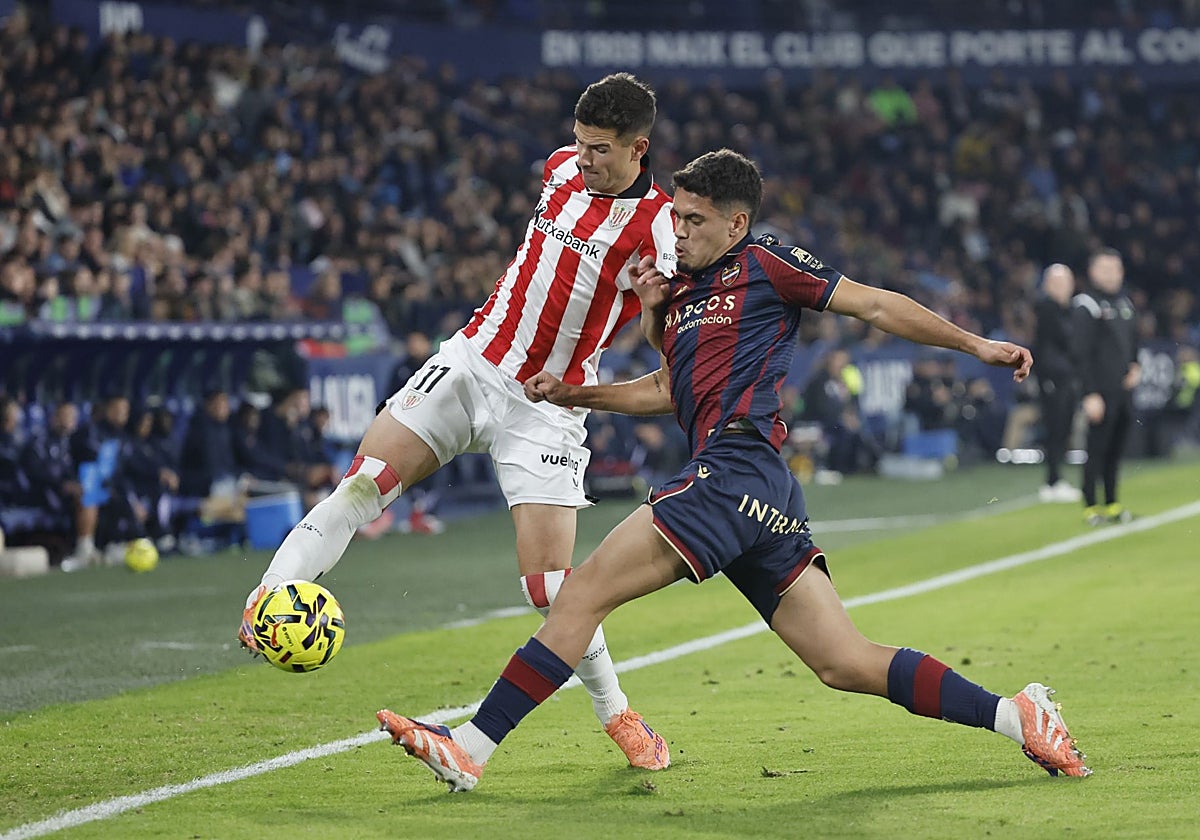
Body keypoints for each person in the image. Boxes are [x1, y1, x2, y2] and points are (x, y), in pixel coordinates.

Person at [375, 149, 1090, 792]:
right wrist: (581, 388)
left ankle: (470, 747)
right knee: (843, 661)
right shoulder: (680, 292)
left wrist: (976, 345)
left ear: (736, 222)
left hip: (736, 467)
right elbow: (668, 389)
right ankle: (1016, 716)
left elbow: (873, 304)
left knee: (580, 593)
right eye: (676, 216)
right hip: (760, 491)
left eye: (693, 220)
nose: (677, 230)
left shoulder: (768, 263)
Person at [238, 73, 678, 770]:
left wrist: (653, 305)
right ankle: (268, 594)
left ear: (638, 148)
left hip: (547, 405)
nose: (584, 158)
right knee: (363, 484)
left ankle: (617, 713)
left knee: (549, 588)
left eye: (600, 149)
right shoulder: (560, 169)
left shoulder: (659, 227)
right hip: (471, 362)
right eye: (580, 143)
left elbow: (664, 338)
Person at [1072, 249, 1139, 526]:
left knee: (1115, 450)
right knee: (1096, 449)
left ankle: (1112, 503)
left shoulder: (1125, 303)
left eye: (1115, 269)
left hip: (1122, 390)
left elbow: (1133, 341)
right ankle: (1091, 506)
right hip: (1099, 391)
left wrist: (1135, 365)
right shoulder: (1086, 305)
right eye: (1105, 269)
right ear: (1092, 272)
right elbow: (1079, 353)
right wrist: (1089, 393)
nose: (1111, 275)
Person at [1033, 264, 1082, 503]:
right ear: (1048, 285)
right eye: (1058, 283)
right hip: (1053, 378)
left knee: (1064, 429)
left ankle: (1055, 479)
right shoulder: (1048, 309)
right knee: (1056, 428)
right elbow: (1066, 339)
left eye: (1066, 282)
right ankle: (1052, 481)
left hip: (1065, 377)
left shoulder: (1066, 310)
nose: (1064, 288)